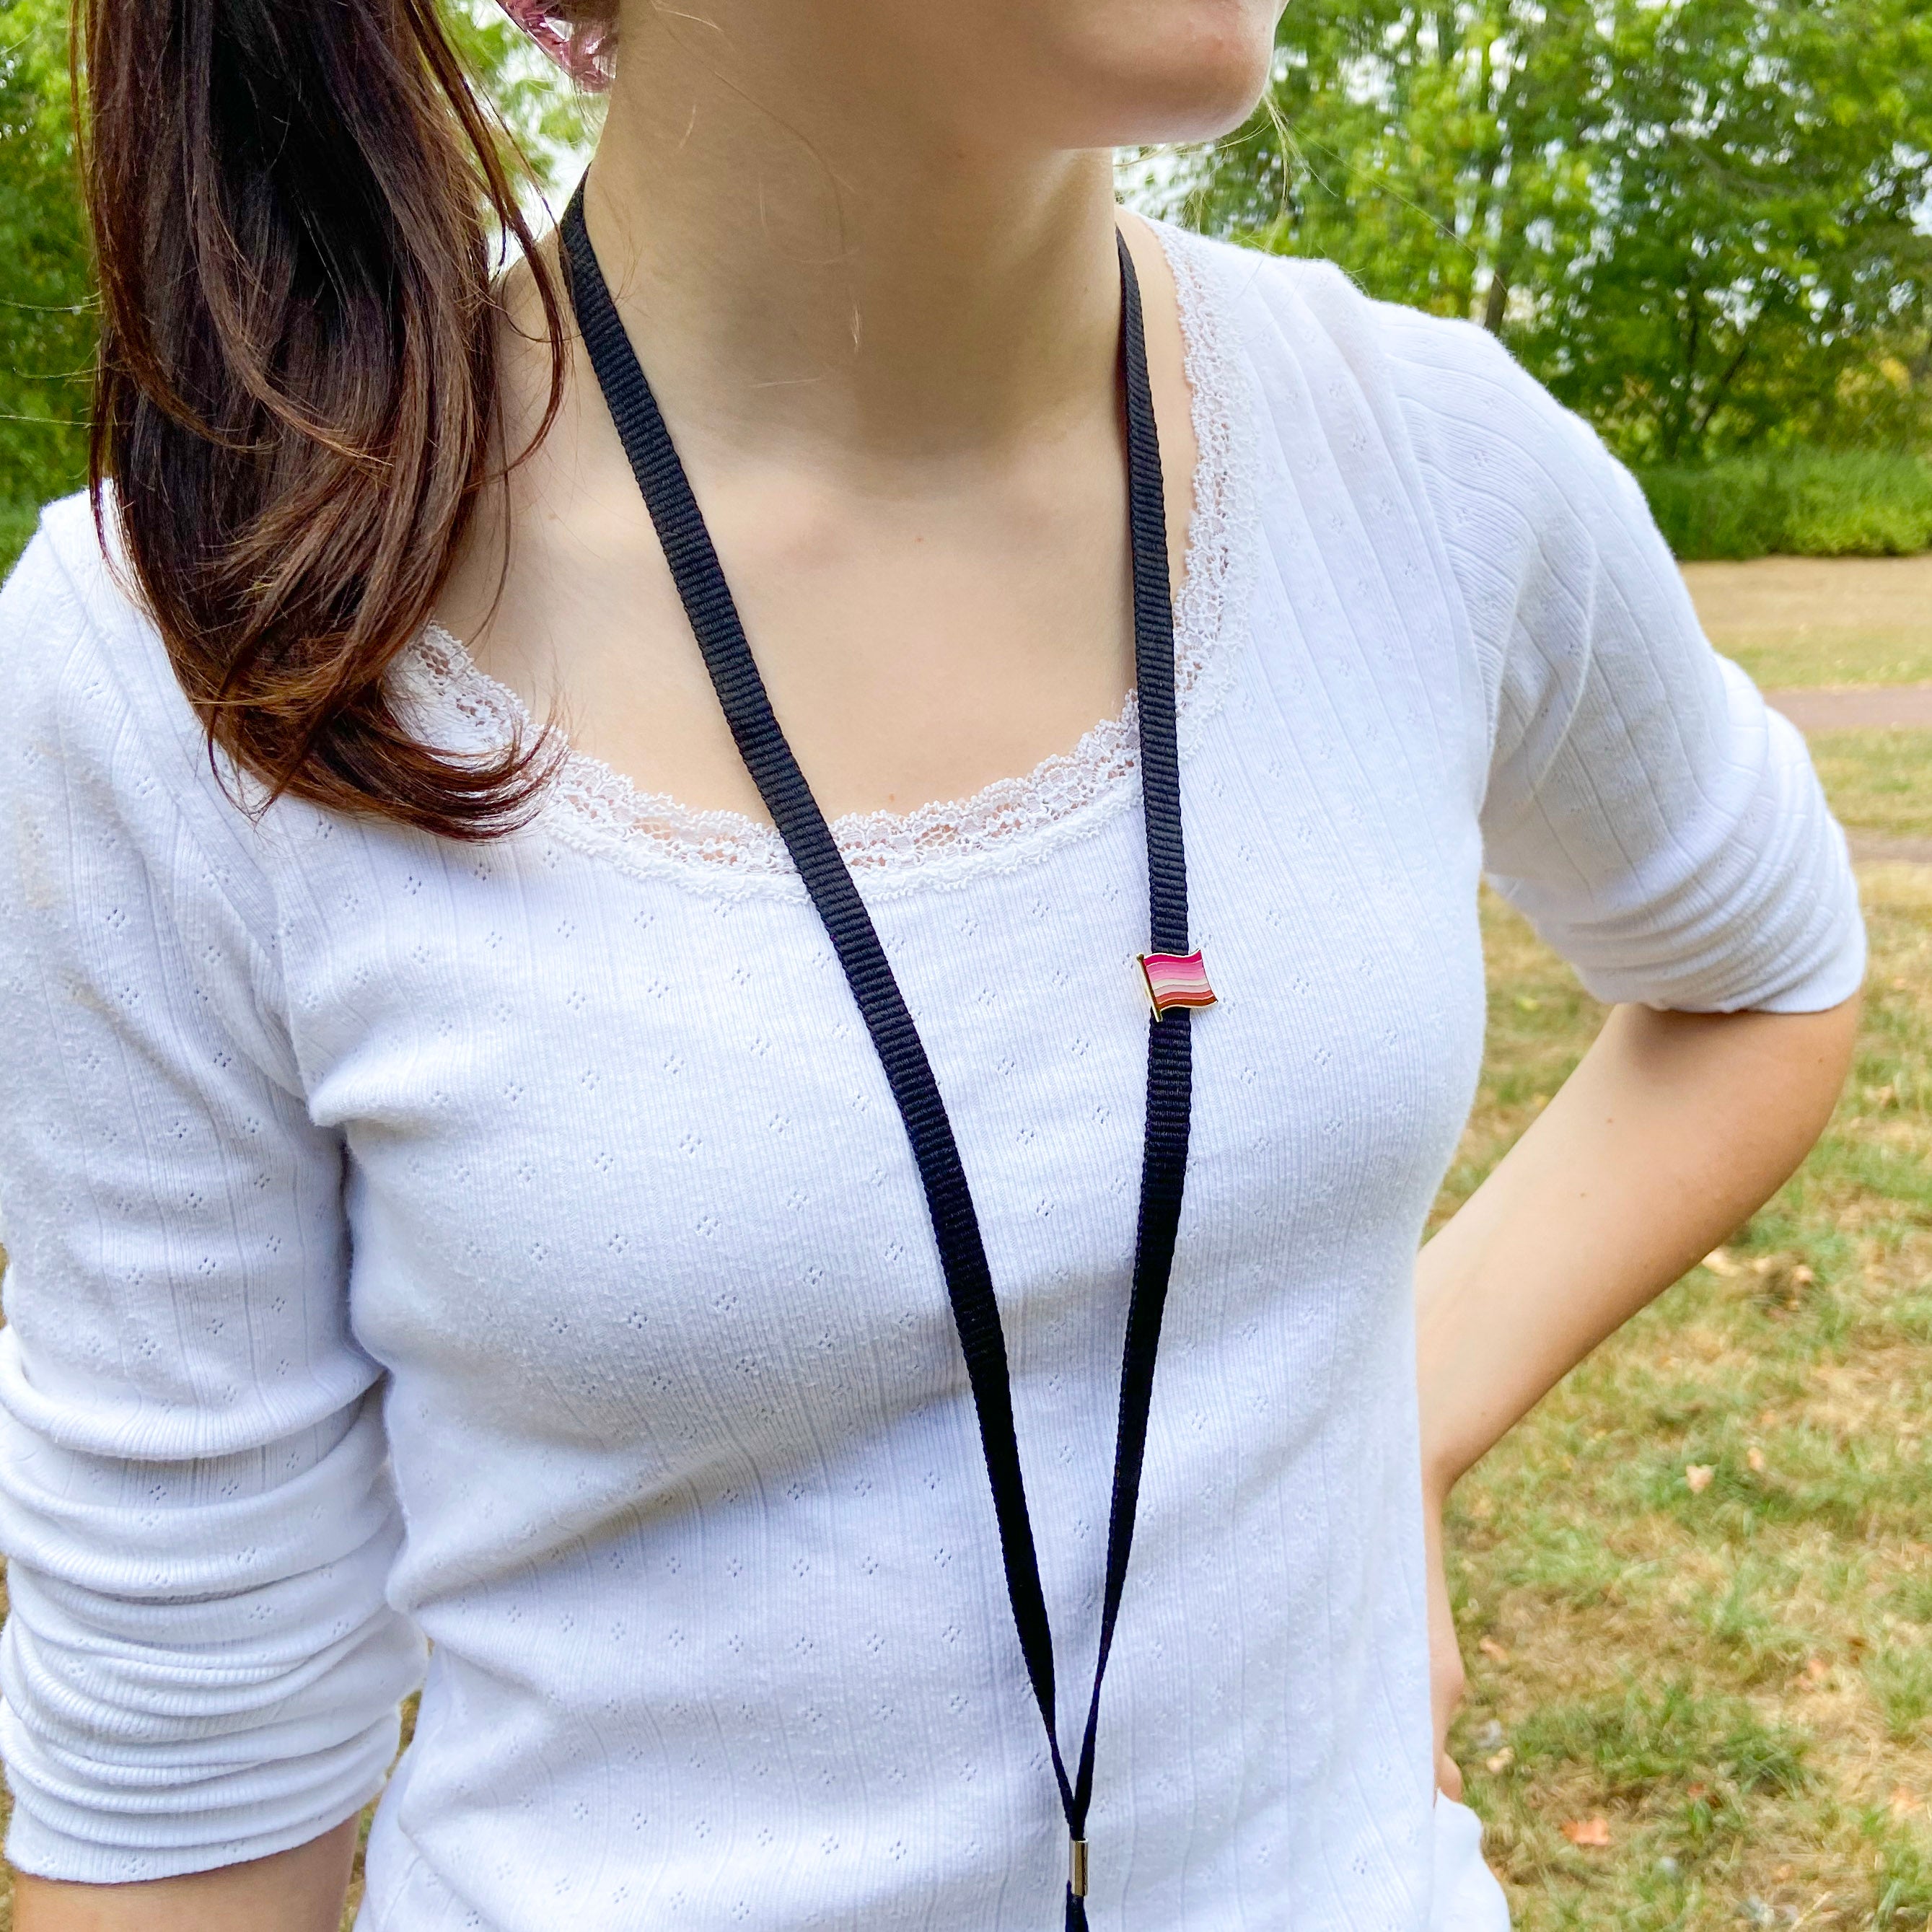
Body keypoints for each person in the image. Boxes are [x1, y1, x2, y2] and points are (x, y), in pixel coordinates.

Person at [0, 1, 1863, 1927]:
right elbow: (187, 1823)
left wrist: (1398, 1415)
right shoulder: (199, 669)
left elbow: (1763, 974)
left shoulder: (1435, 466)